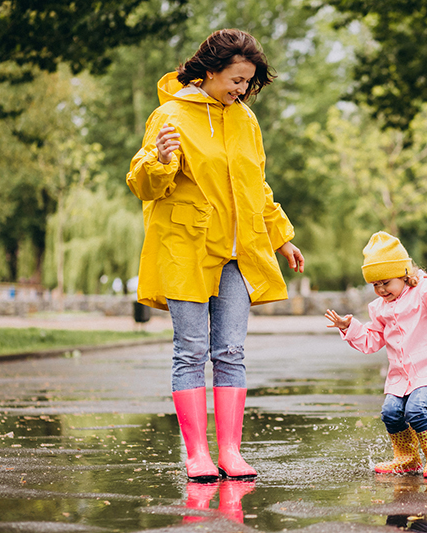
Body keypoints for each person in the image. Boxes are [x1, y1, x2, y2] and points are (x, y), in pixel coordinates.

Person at [127, 29, 304, 483]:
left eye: (247, 82)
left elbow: (257, 186)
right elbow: (143, 185)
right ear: (209, 71)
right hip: (186, 248)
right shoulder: (169, 116)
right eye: (235, 79)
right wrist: (160, 159)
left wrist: (281, 237)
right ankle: (197, 455)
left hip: (236, 253)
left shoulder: (245, 119)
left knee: (231, 351)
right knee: (191, 351)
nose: (241, 89)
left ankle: (230, 452)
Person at [325, 232, 427, 478]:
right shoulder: (378, 308)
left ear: (404, 274)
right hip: (401, 374)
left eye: (386, 282)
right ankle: (407, 458)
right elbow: (372, 340)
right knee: (390, 412)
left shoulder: (424, 291)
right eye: (375, 284)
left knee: (416, 410)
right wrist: (349, 328)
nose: (380, 289)